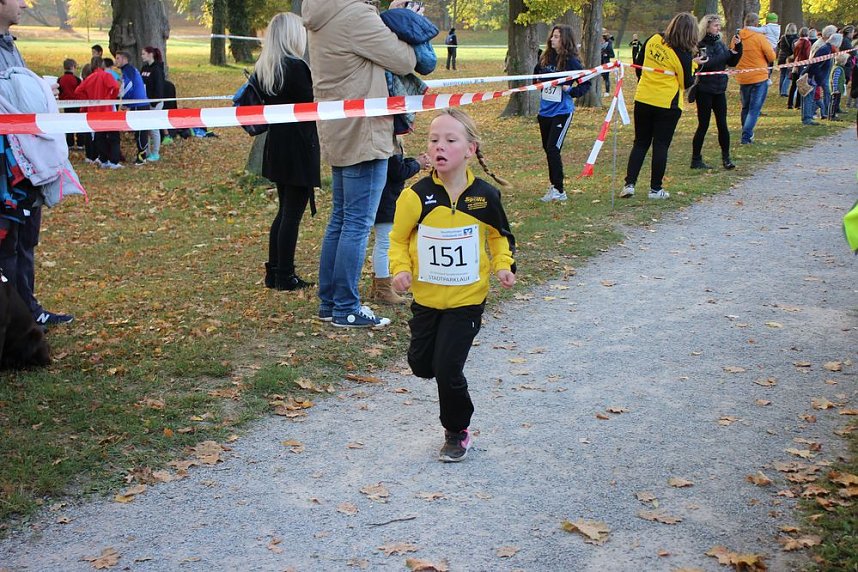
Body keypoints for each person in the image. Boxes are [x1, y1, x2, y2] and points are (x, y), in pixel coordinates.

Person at [389, 109, 516, 463]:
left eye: (449, 140)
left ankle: (456, 431)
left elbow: (499, 238)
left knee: (447, 368)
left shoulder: (484, 196)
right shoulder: (416, 196)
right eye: (433, 139)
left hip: (467, 299)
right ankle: (443, 387)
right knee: (422, 365)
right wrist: (399, 270)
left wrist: (503, 265)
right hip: (427, 299)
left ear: (470, 149)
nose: (439, 146)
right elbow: (397, 240)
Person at [303, 0, 416, 328]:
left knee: (340, 220)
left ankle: (330, 303)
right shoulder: (356, 15)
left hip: (338, 128)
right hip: (363, 132)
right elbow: (404, 59)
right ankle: (346, 307)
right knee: (356, 223)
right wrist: (407, 22)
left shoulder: (323, 13)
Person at [0, 0, 74, 327]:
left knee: (27, 239)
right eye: (18, 0)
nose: (23, 5)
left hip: (29, 161)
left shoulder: (11, 47)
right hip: (7, 167)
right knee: (9, 244)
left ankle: (27, 310)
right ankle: (15, 322)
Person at [255, 12, 320, 292]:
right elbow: (314, 103)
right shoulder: (295, 67)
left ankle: (275, 271)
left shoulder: (267, 67)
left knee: (284, 212)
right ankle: (284, 274)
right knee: (291, 213)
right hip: (298, 147)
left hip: (278, 146)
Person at [621, 12, 704, 200]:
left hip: (643, 98)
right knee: (660, 145)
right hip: (668, 104)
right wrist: (693, 65)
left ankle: (629, 184)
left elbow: (639, 65)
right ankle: (655, 189)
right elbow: (686, 83)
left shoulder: (653, 39)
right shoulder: (682, 55)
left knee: (640, 142)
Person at [534, 24, 591, 203]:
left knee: (553, 148)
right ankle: (553, 186)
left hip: (562, 112)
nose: (552, 39)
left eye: (557, 36)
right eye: (552, 36)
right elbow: (536, 76)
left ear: (565, 39)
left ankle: (559, 190)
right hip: (545, 111)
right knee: (548, 150)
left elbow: (585, 84)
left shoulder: (572, 62)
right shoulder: (545, 58)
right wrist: (538, 83)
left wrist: (570, 90)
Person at [369, 139, 427, 305]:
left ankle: (379, 286)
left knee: (381, 243)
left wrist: (414, 161)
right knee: (384, 244)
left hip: (385, 199)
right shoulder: (387, 142)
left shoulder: (389, 141)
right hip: (386, 200)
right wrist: (418, 164)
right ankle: (383, 288)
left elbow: (397, 166)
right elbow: (397, 172)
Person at [691, 14, 741, 171]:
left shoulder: (720, 43)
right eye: (715, 25)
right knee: (703, 125)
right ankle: (696, 159)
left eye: (719, 25)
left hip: (720, 90)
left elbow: (731, 62)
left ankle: (726, 158)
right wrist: (726, 54)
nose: (718, 28)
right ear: (707, 27)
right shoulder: (700, 44)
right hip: (704, 90)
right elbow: (708, 63)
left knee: (723, 125)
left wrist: (739, 48)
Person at [731, 13, 775, 144]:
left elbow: (732, 53)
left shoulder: (737, 38)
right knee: (754, 109)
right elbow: (771, 57)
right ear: (756, 24)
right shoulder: (759, 37)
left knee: (746, 107)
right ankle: (746, 136)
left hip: (743, 76)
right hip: (759, 77)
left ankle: (747, 135)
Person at [75, 56, 122, 168]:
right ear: (102, 65)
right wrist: (111, 98)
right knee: (113, 136)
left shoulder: (90, 78)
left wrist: (87, 101)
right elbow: (115, 87)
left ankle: (104, 159)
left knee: (99, 136)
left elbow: (78, 90)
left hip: (94, 111)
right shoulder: (106, 76)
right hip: (107, 110)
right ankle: (113, 160)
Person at [114, 50, 149, 165]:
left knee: (140, 131)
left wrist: (124, 102)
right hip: (138, 103)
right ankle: (142, 155)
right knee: (139, 131)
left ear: (125, 59)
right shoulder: (128, 70)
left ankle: (142, 157)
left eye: (118, 58)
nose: (116, 61)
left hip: (139, 104)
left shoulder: (128, 70)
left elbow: (128, 86)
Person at [804, 32, 840, 124]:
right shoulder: (825, 50)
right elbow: (815, 64)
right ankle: (807, 118)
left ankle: (810, 116)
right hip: (812, 76)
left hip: (816, 77)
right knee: (809, 97)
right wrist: (818, 78)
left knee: (812, 98)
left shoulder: (827, 49)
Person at [140, 46, 165, 163]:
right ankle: (147, 152)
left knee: (154, 128)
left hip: (155, 103)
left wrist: (154, 102)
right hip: (145, 102)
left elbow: (159, 87)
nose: (142, 56)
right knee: (147, 129)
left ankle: (155, 153)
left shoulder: (157, 69)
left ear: (151, 54)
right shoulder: (144, 68)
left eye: (144, 54)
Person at [788, 27, 811, 110]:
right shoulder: (807, 43)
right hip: (803, 64)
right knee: (800, 84)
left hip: (796, 63)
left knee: (793, 85)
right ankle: (798, 104)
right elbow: (807, 54)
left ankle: (790, 103)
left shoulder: (796, 42)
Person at [775, 23, 798, 96]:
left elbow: (780, 46)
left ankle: (781, 90)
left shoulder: (783, 37)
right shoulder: (796, 38)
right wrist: (791, 55)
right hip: (790, 58)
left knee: (782, 74)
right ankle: (784, 91)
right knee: (788, 75)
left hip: (782, 58)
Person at [830, 52, 848, 121]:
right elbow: (835, 79)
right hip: (836, 89)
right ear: (842, 62)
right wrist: (835, 89)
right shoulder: (838, 69)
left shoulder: (838, 67)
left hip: (838, 89)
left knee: (837, 101)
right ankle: (832, 115)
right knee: (834, 102)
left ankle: (837, 110)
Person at [600, 28, 615, 96]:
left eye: (602, 39)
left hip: (606, 63)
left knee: (606, 78)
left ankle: (607, 91)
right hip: (599, 64)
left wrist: (606, 55)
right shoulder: (598, 46)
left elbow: (612, 55)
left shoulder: (608, 45)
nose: (601, 40)